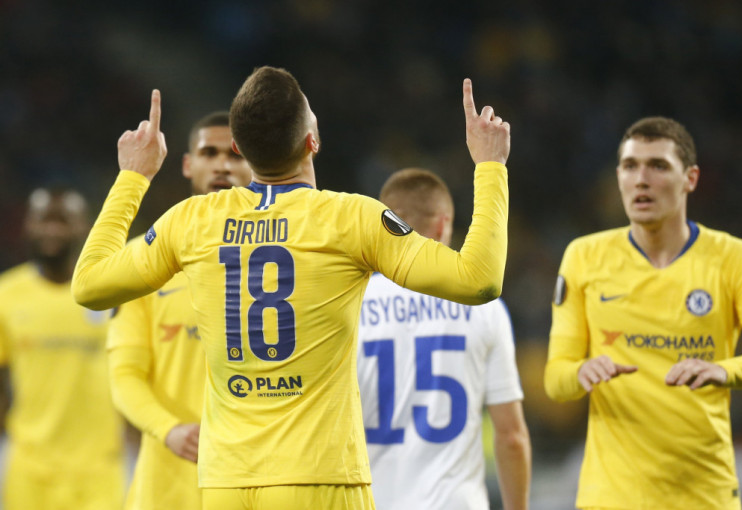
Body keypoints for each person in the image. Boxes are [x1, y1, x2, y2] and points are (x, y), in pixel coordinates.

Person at [71, 65, 510, 510]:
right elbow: (478, 280)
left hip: (226, 483)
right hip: (318, 478)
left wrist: (133, 176)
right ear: (312, 141)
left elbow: (88, 285)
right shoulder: (350, 219)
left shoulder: (191, 221)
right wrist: (490, 165)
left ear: (239, 148)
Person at [544, 116, 742, 510]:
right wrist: (579, 373)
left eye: (658, 166)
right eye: (630, 166)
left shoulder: (735, 258)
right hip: (610, 498)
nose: (641, 179)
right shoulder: (584, 256)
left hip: (704, 496)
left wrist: (723, 370)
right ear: (618, 177)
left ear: (690, 179)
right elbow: (555, 378)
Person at [357, 168, 531, 510]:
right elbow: (511, 436)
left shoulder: (351, 304)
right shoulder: (484, 307)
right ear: (442, 224)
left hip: (371, 501)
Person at [107, 111, 253, 510]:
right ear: (188, 164)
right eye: (209, 153)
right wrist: (168, 429)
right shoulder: (144, 260)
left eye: (236, 154)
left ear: (256, 165)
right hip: (166, 491)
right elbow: (124, 375)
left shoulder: (282, 263)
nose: (222, 165)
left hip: (252, 481)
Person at [0, 187, 125, 510]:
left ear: (85, 226)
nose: (52, 230)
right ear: (28, 225)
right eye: (44, 220)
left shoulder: (112, 293)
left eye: (63, 221)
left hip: (99, 469)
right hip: (30, 469)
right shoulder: (6, 295)